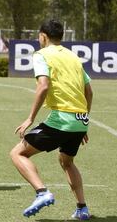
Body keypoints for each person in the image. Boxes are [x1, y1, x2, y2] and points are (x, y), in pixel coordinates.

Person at [10, 19, 93, 220]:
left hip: (62, 119)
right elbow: (89, 92)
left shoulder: (41, 55)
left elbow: (44, 85)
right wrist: (82, 123)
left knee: (17, 153)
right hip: (80, 120)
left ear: (43, 36)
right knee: (67, 161)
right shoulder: (74, 57)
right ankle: (82, 209)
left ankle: (41, 192)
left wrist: (30, 118)